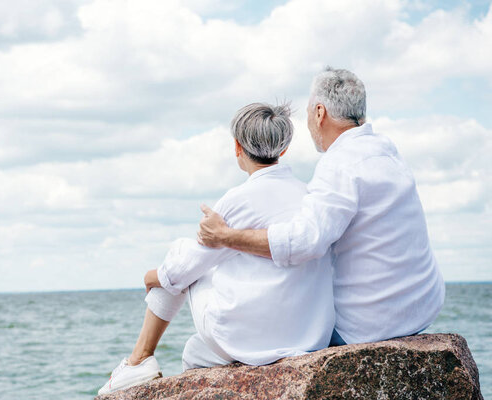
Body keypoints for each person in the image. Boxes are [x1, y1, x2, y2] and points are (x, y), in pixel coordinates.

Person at [98, 103, 335, 395]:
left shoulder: (240, 199)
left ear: (237, 146)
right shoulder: (307, 194)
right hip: (309, 335)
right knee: (194, 351)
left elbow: (184, 269)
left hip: (252, 339)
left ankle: (138, 360)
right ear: (282, 149)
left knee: (180, 250)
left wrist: (151, 277)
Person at [197, 67, 445, 346]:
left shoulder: (340, 163)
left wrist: (225, 236)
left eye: (306, 113)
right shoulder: (386, 151)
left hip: (366, 327)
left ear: (319, 112)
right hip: (422, 307)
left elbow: (304, 243)